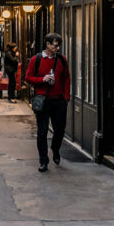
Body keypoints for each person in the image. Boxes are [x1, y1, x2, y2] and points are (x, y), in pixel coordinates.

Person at [25, 32, 70, 172]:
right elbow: (28, 78)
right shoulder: (36, 59)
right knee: (42, 132)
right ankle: (43, 161)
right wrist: (42, 79)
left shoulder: (62, 60)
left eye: (58, 46)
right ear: (48, 44)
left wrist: (66, 97)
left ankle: (55, 149)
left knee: (60, 130)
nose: (56, 48)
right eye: (54, 46)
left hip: (59, 101)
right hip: (43, 100)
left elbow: (67, 78)